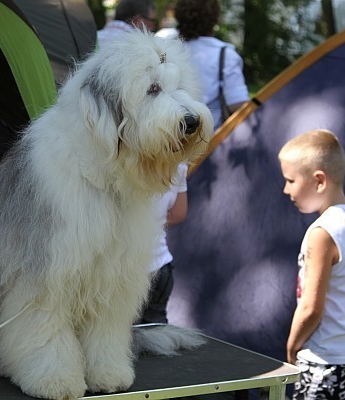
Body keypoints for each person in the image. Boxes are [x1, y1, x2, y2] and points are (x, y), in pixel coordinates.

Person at [278, 129, 345, 399]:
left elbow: (311, 308)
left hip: (326, 359)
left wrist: (292, 347)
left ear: (319, 181)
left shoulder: (322, 233)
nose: (286, 190)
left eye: (290, 180)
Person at [174, 0, 249, 130]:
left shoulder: (167, 48)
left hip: (170, 139)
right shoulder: (224, 54)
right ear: (214, 18)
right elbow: (237, 104)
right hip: (212, 141)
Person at [139, 162, 188, 324]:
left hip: (125, 271)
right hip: (160, 265)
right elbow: (179, 212)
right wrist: (154, 224)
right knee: (155, 334)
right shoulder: (178, 164)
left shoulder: (122, 161)